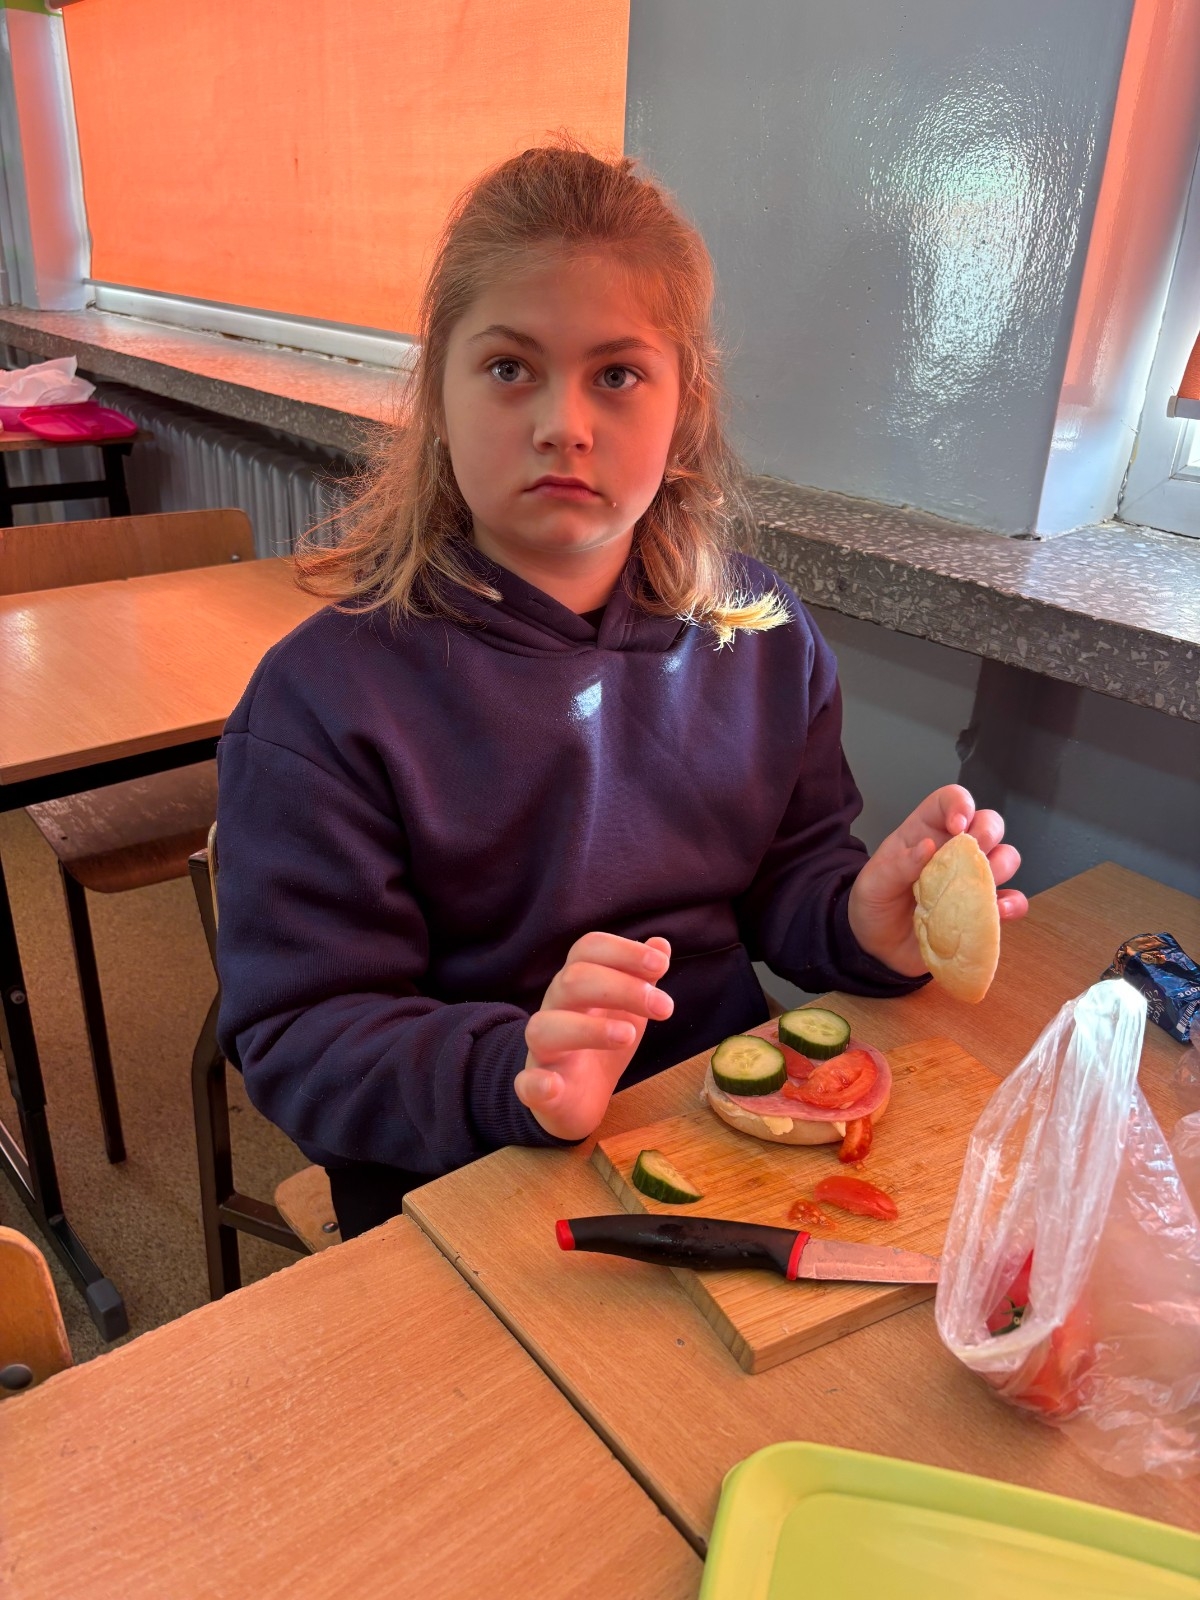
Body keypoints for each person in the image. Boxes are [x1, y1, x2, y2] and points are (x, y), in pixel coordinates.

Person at [215, 141, 1027, 1240]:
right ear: (439, 396)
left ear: (684, 412)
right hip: (466, 1182)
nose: (565, 422)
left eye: (616, 375)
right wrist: (513, 1069)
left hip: (714, 1133)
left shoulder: (759, 632)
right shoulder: (323, 701)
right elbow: (302, 1039)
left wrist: (859, 922)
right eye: (511, 367)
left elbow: (787, 878)